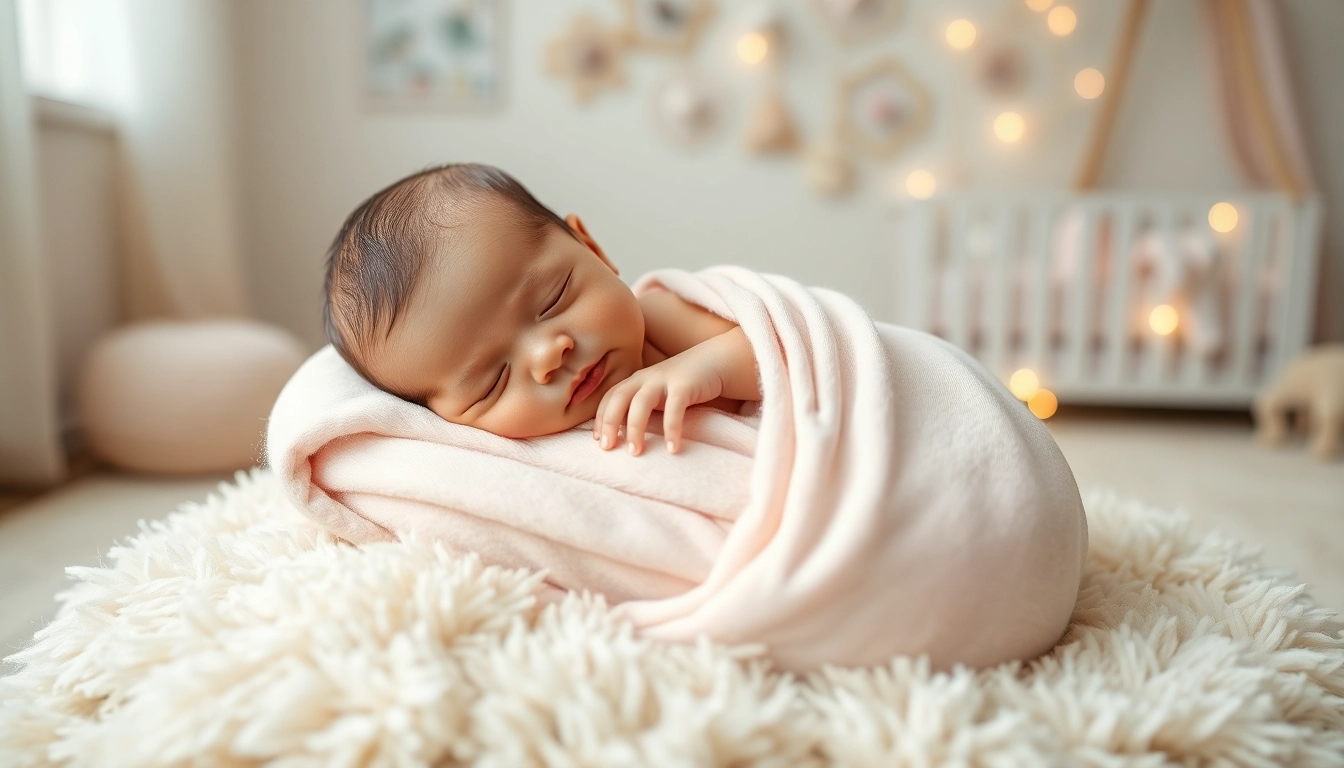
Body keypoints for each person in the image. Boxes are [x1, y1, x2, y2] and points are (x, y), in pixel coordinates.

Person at [323, 163, 760, 456]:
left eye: (553, 299)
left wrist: (708, 368)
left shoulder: (662, 321)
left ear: (592, 249)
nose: (547, 356)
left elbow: (793, 349)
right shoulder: (516, 460)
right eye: (491, 382)